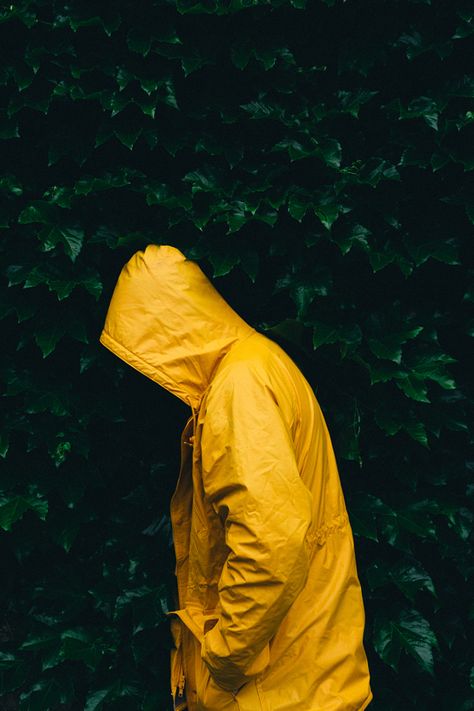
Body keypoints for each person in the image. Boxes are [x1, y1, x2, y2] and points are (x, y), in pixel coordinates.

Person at [99, 244, 373, 711]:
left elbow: (270, 545)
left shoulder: (238, 389)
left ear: (168, 329)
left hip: (275, 692)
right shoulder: (260, 363)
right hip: (308, 679)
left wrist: (223, 659)